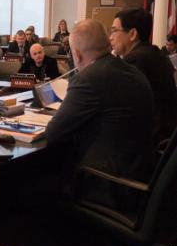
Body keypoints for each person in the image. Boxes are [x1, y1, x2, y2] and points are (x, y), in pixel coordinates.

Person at [46, 19, 155, 208]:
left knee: (42, 182)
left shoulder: (88, 78)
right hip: (140, 174)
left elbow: (53, 132)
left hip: (106, 184)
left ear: (77, 55)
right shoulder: (133, 71)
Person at [109, 8, 177, 143]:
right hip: (165, 137)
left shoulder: (136, 59)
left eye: (114, 31)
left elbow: (121, 106)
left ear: (132, 34)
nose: (110, 37)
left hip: (150, 143)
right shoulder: (155, 53)